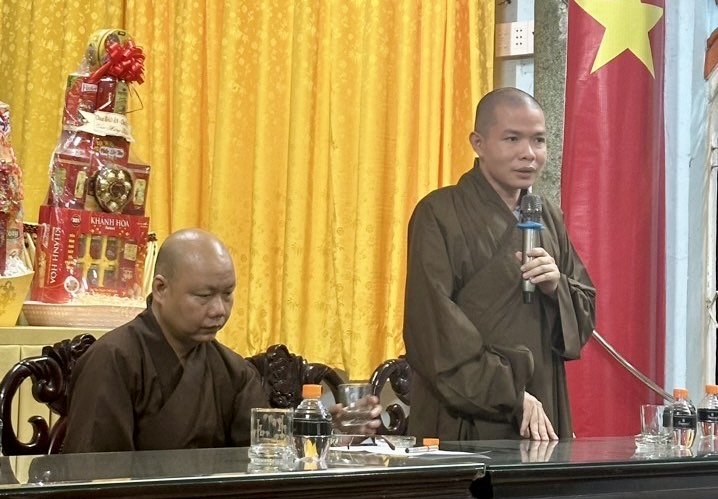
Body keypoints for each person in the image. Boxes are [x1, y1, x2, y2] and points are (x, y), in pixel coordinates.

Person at [63, 228, 381, 453]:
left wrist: (330, 434)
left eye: (227, 294)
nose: (219, 309)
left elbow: (268, 453)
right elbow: (93, 474)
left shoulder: (232, 370)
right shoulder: (113, 359)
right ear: (160, 289)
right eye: (204, 296)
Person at [402, 87, 596, 442]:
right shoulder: (439, 214)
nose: (528, 154)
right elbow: (432, 329)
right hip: (466, 410)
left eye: (539, 141)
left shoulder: (547, 217)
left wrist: (556, 288)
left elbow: (584, 315)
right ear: (478, 143)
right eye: (512, 139)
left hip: (542, 408)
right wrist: (511, 394)